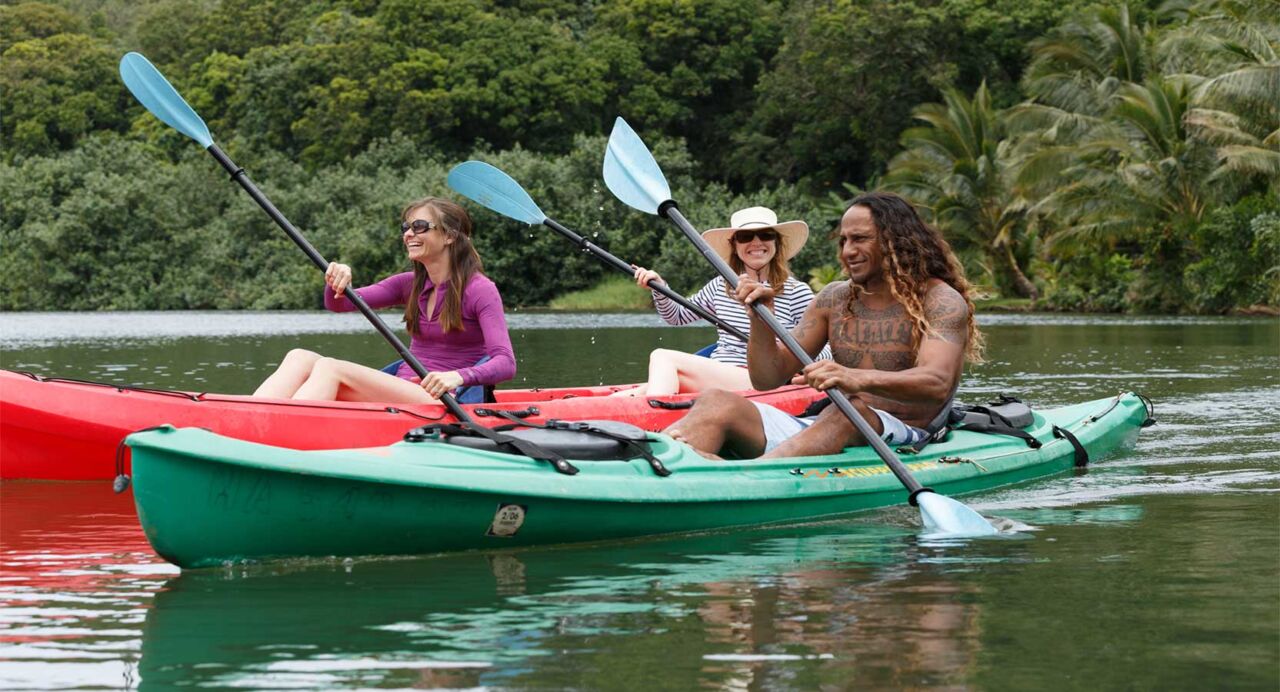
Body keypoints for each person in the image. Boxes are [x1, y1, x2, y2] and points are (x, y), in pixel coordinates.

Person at [665, 191, 985, 459]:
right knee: (716, 400)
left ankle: (741, 475)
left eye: (860, 239)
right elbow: (767, 379)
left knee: (849, 411)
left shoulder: (940, 300)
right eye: (843, 240)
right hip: (828, 424)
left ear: (896, 242)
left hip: (907, 434)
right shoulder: (833, 298)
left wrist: (852, 377)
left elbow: (936, 383)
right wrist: (761, 319)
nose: (847, 251)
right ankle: (660, 463)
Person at [253, 197, 515, 403]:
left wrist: (457, 377)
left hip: (443, 399)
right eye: (406, 227)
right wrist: (337, 278)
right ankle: (249, 419)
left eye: (420, 226)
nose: (409, 234)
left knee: (330, 368)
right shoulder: (408, 284)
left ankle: (279, 429)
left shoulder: (480, 290)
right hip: (403, 389)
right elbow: (339, 303)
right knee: (299, 356)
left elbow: (505, 363)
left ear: (449, 236)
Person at [613, 206, 830, 397]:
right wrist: (659, 287)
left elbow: (826, 346)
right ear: (735, 245)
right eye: (746, 236)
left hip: (761, 379)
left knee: (663, 357)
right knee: (623, 398)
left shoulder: (795, 291)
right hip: (718, 372)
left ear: (776, 242)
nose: (756, 242)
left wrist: (792, 357)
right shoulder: (720, 286)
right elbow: (676, 317)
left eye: (765, 235)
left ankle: (653, 422)